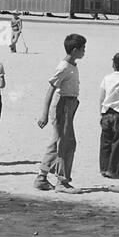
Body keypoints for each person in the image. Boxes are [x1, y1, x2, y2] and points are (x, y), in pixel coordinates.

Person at [34, 34, 87, 192]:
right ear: (75, 50)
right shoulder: (63, 67)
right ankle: (62, 182)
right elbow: (51, 88)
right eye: (83, 49)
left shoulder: (72, 65)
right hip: (62, 106)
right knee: (67, 143)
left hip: (69, 105)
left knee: (59, 141)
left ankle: (42, 178)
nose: (85, 51)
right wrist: (44, 113)